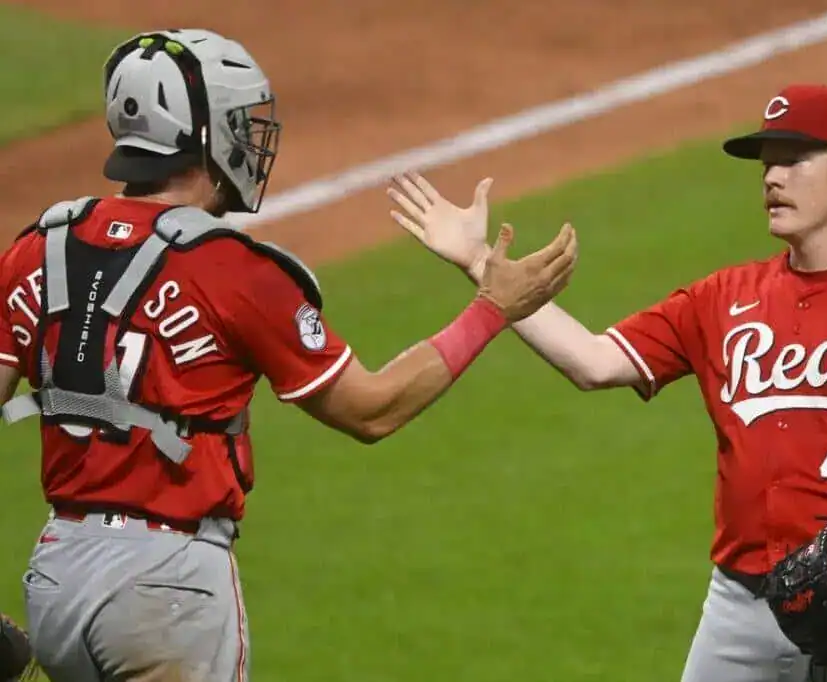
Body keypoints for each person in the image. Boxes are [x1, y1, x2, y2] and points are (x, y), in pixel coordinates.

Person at [0, 28, 577, 682]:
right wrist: (491, 309)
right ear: (199, 136)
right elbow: (371, 410)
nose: (250, 140)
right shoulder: (233, 271)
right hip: (164, 591)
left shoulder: (37, 250)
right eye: (238, 123)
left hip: (55, 578)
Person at [387, 83, 827, 681]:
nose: (771, 177)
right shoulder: (724, 298)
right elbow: (594, 361)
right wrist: (477, 263)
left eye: (795, 159)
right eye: (767, 163)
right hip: (740, 609)